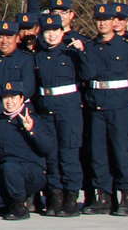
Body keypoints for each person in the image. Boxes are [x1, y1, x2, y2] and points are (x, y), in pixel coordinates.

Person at [82, 4, 128, 216]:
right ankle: (104, 197)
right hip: (96, 106)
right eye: (99, 20)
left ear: (114, 22)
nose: (102, 23)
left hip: (120, 107)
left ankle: (127, 197)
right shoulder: (89, 47)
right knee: (98, 153)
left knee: (122, 152)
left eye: (106, 20)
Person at [34, 14, 92, 216]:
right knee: (51, 155)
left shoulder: (71, 52)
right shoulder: (39, 55)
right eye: (47, 31)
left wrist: (82, 53)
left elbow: (88, 75)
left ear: (62, 32)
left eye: (55, 31)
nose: (51, 35)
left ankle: (71, 199)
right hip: (46, 110)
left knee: (68, 155)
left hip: (68, 110)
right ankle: (55, 197)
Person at [0, 81, 54, 221]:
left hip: (32, 172)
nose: (9, 101)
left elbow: (48, 147)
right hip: (8, 173)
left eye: (13, 97)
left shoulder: (32, 119)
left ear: (22, 98)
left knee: (10, 167)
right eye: (6, 97)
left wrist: (32, 130)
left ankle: (20, 208)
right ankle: (13, 203)